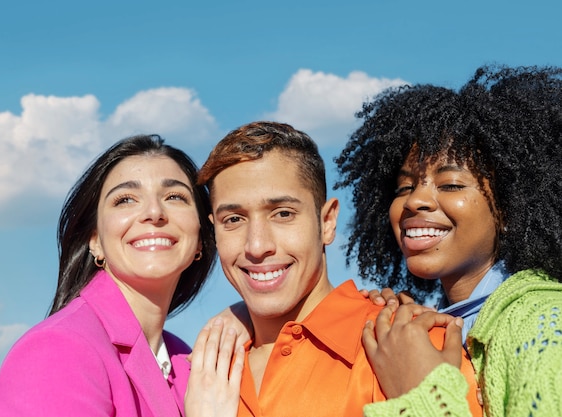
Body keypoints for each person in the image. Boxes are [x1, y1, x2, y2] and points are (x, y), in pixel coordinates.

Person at [192, 121, 483, 416]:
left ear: (327, 222)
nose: (256, 246)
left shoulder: (416, 348)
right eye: (233, 219)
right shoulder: (200, 369)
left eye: (283, 214)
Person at [335, 65, 562, 416]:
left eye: (451, 184)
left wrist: (424, 394)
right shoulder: (427, 320)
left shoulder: (546, 326)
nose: (414, 201)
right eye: (404, 187)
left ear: (511, 210)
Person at [0, 134, 239, 416]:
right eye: (125, 199)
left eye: (175, 196)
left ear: (201, 238)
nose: (154, 212)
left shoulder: (185, 359)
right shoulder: (59, 350)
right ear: (95, 240)